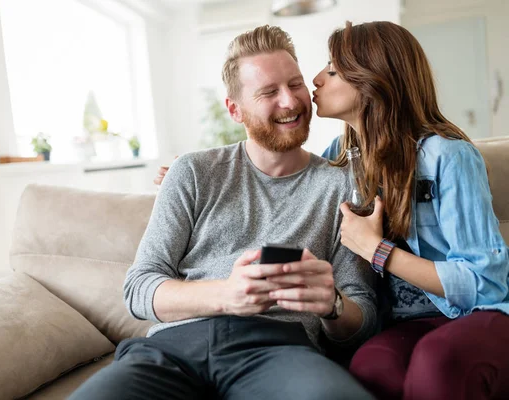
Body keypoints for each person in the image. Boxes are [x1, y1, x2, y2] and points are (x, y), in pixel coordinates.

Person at [69, 25, 377, 400]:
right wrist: (226, 295)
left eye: (295, 85)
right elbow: (138, 289)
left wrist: (333, 305)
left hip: (279, 349)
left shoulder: (343, 185)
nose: (290, 102)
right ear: (235, 109)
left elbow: (364, 318)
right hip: (172, 351)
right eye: (268, 92)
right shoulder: (193, 172)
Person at [312, 21, 509, 400]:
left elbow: (484, 284)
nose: (316, 79)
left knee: (436, 362)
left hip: (478, 315)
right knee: (370, 368)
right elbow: (284, 181)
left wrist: (377, 251)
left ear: (373, 79)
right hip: (401, 324)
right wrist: (214, 175)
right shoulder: (340, 156)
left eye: (333, 70)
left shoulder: (449, 157)